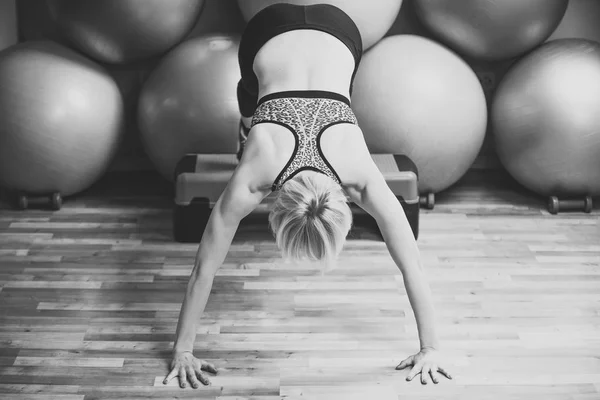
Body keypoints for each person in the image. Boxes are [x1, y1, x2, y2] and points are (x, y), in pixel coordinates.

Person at [163, 3, 452, 389]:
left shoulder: (347, 175)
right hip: (279, 31)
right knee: (259, 97)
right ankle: (250, 121)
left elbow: (205, 268)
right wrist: (429, 348)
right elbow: (410, 264)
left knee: (257, 100)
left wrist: (431, 346)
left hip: (337, 30)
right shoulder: (261, 176)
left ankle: (249, 123)